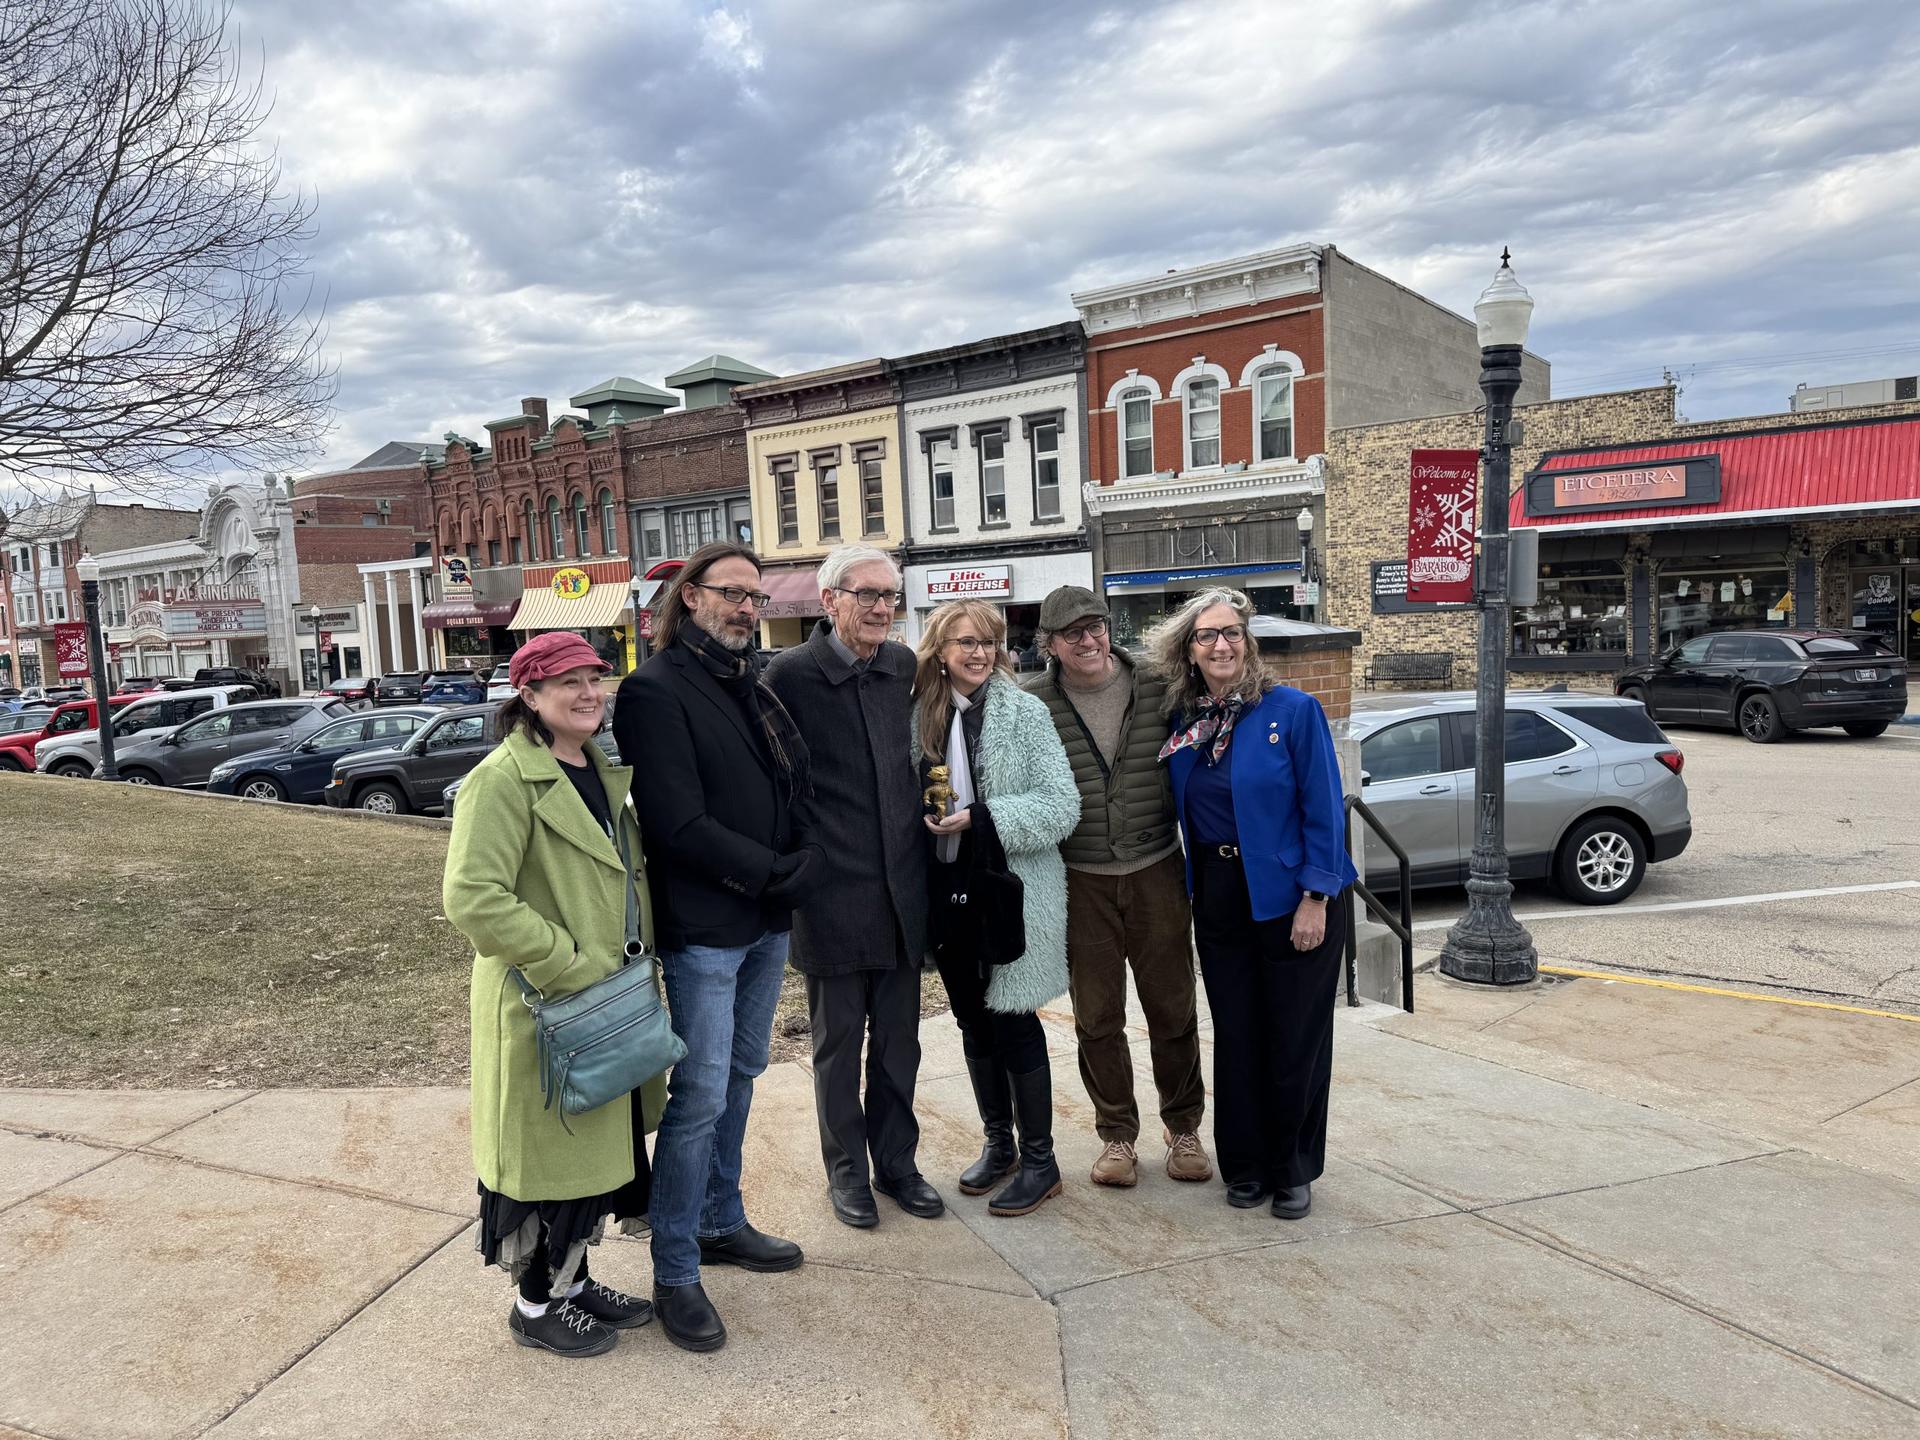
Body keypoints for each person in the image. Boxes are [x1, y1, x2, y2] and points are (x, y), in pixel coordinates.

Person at [443, 630, 662, 1359]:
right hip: (547, 1003)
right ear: (529, 698)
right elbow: (473, 897)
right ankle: (534, 1305)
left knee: (593, 1157)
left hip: (605, 1002)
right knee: (548, 1165)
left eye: (595, 679)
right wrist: (568, 963)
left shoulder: (598, 768)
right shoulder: (502, 779)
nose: (588, 693)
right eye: (567, 682)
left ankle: (571, 1284)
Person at [616, 542, 812, 1354]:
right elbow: (677, 824)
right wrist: (774, 872)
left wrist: (795, 865)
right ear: (689, 597)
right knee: (696, 1095)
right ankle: (674, 1269)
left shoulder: (747, 682)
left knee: (741, 1072)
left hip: (764, 921)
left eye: (755, 597)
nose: (746, 608)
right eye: (732, 594)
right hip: (707, 926)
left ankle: (720, 1220)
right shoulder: (654, 690)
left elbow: (779, 786)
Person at [1146, 588, 1356, 1221]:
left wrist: (1316, 896)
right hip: (1217, 894)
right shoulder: (1183, 724)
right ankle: (1243, 1164)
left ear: (1249, 642)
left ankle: (1291, 1168)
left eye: (1232, 633)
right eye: (1207, 635)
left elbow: (1323, 809)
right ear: (1189, 650)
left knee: (1294, 1037)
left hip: (1295, 895)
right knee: (1236, 1035)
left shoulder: (1293, 711)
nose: (1222, 644)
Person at [766, 546, 938, 1229]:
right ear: (828, 598)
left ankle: (897, 1164)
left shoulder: (902, 666)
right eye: (865, 594)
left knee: (900, 1043)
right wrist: (800, 862)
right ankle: (848, 1173)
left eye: (889, 596)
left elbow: (927, 753)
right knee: (838, 1047)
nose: (879, 607)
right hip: (832, 892)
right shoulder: (791, 674)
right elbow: (773, 781)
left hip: (902, 889)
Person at [1023, 586, 1210, 1190]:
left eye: (1095, 626)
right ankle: (1117, 1137)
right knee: (1097, 1017)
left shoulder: (1161, 683)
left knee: (1172, 1008)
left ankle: (1183, 1128)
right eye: (1071, 632)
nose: (1087, 639)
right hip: (1080, 882)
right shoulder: (1032, 706)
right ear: (1049, 643)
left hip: (1156, 868)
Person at [914, 600, 1080, 1217]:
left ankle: (1042, 1161)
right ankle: (999, 1144)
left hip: (1010, 890)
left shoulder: (1025, 713)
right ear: (940, 650)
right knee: (971, 1020)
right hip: (947, 886)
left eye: (987, 642)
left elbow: (1061, 807)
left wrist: (982, 819)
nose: (978, 653)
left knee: (1012, 1017)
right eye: (963, 642)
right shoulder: (923, 716)